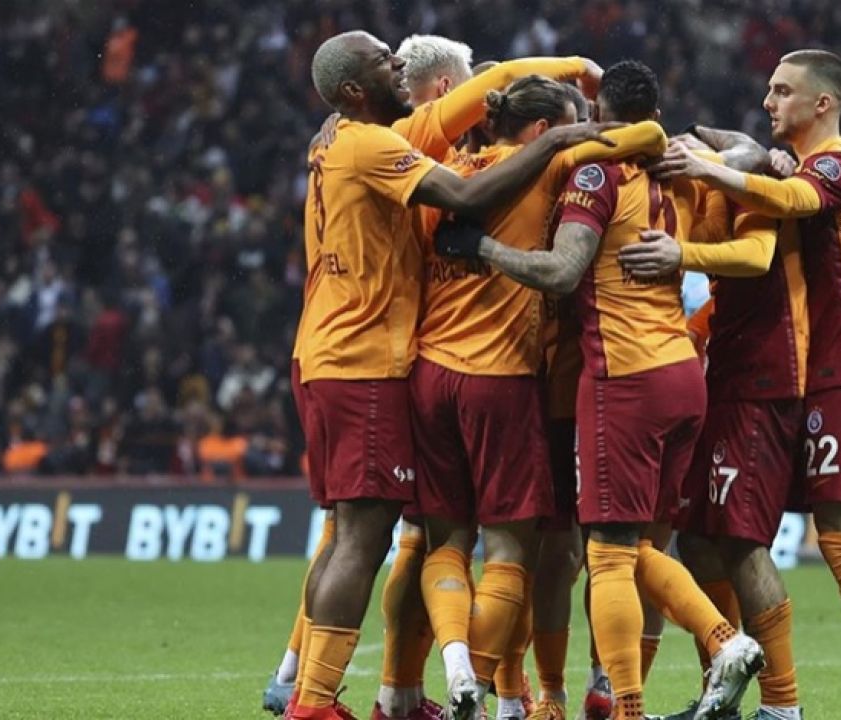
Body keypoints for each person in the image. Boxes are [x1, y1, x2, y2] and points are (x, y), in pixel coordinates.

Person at [263, 37, 605, 720]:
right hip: (377, 360)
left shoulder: (350, 140)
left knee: (379, 535)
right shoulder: (379, 146)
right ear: (354, 92)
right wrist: (565, 134)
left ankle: (357, 688)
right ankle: (324, 698)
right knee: (377, 538)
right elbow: (471, 193)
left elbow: (485, 100)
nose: (395, 64)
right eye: (381, 61)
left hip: (366, 359)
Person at [439, 60, 765, 720]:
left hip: (621, 378)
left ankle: (664, 679)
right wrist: (729, 146)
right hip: (680, 373)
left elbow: (562, 270)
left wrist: (483, 249)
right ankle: (614, 685)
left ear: (596, 119)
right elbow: (751, 159)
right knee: (638, 547)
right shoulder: (677, 169)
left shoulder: (595, 174)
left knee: (603, 553)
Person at [651, 49, 841, 720]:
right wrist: (721, 147)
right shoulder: (804, 163)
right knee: (832, 536)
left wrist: (706, 168)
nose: (769, 101)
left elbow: (793, 199)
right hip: (829, 371)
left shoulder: (839, 164)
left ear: (822, 103)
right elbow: (764, 163)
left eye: (782, 91)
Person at [413, 75, 665, 720]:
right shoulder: (551, 169)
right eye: (570, 124)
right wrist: (577, 131)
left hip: (429, 372)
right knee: (516, 554)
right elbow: (645, 135)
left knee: (443, 544)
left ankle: (443, 675)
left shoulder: (442, 172)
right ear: (544, 131)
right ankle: (490, 691)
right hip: (505, 378)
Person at [617, 124, 803, 720]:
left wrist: (682, 252)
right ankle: (719, 695)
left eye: (686, 158)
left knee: (740, 540)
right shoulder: (690, 197)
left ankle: (783, 706)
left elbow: (756, 255)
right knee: (697, 540)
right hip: (722, 375)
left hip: (762, 380)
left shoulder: (750, 186)